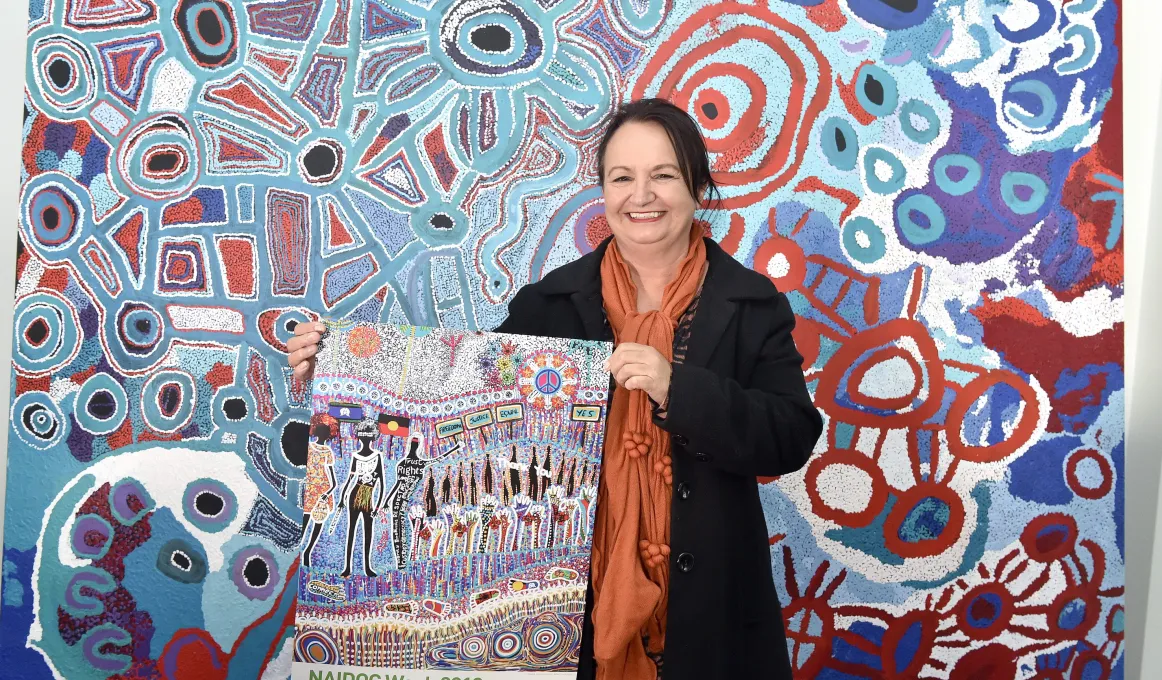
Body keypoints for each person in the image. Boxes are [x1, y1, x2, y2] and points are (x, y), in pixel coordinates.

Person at [286, 98, 823, 680]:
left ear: (697, 187)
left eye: (663, 176)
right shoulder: (547, 307)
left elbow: (791, 437)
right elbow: (451, 409)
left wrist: (677, 388)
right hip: (572, 625)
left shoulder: (752, 304)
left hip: (717, 619)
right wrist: (342, 369)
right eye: (622, 178)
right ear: (603, 191)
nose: (641, 196)